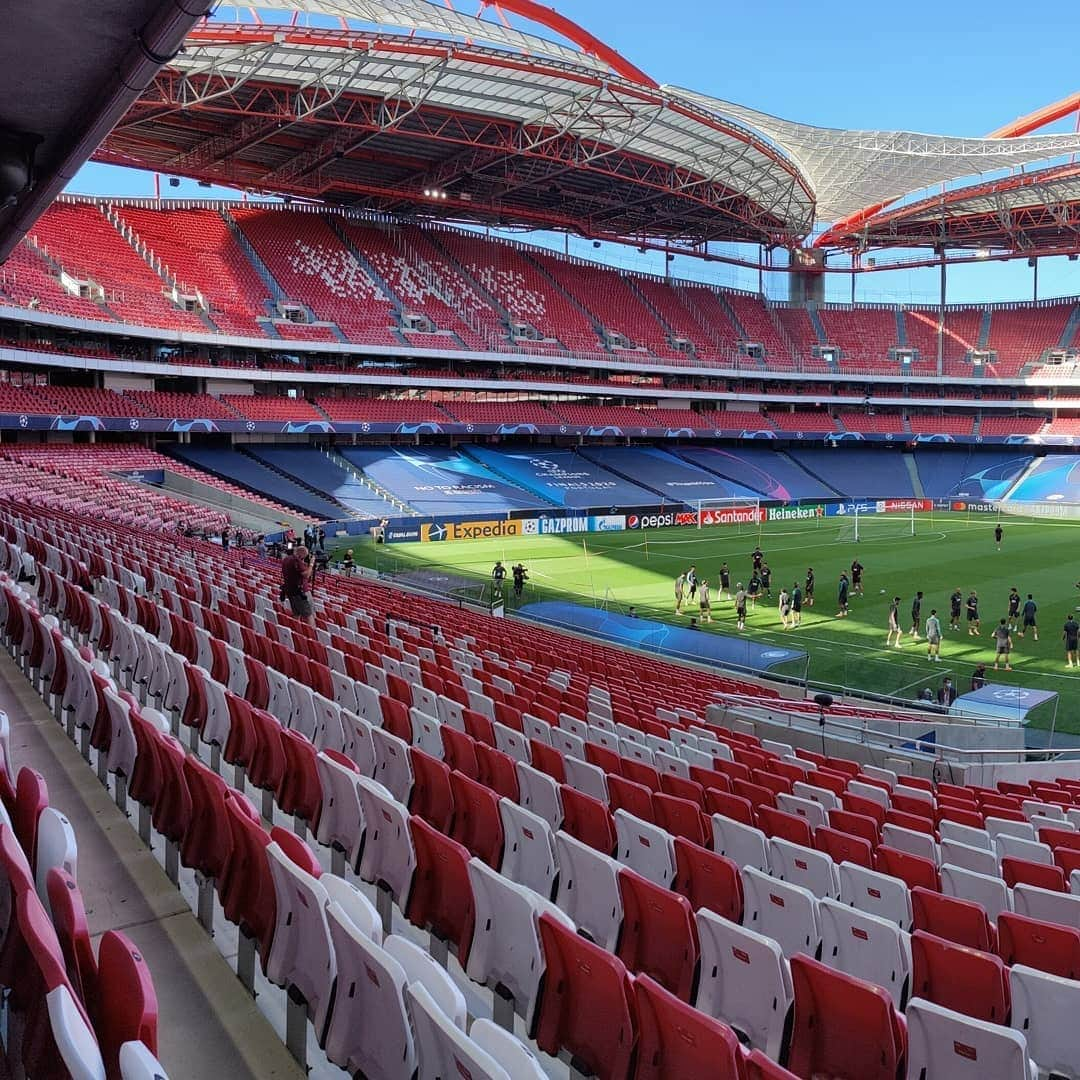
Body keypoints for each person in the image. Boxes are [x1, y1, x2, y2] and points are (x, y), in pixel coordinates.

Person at [280, 544, 315, 627]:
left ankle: (296, 631)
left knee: (296, 613)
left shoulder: (286, 559)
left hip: (290, 590)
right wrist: (311, 564)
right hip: (301, 592)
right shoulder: (296, 561)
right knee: (309, 615)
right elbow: (306, 575)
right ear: (301, 555)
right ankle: (312, 635)